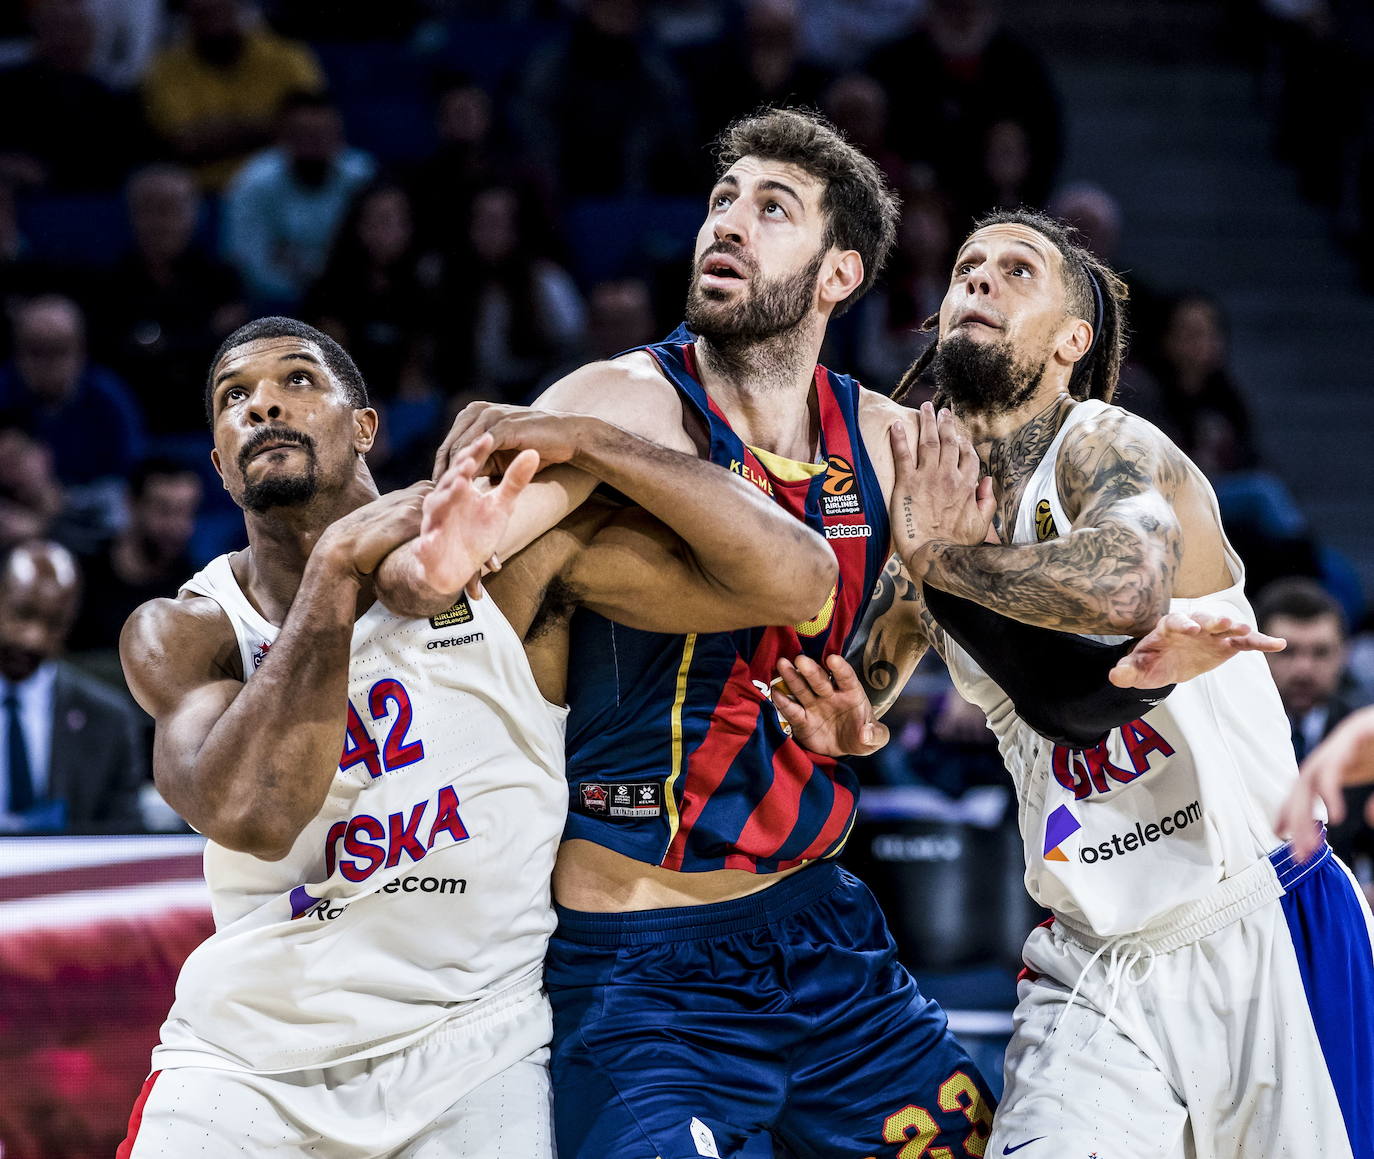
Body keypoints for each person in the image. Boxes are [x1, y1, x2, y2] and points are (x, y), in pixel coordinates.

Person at [387, 106, 1003, 1159]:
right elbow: (447, 579)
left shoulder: (894, 442)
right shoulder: (617, 402)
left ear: (840, 274)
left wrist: (867, 716)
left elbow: (877, 666)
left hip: (825, 936)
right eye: (723, 199)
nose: (729, 223)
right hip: (644, 965)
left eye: (773, 208)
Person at [115, 315, 834, 1157]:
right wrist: (337, 570)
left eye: (297, 380)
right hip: (247, 1061)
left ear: (365, 426)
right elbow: (257, 818)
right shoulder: (187, 630)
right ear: (219, 465)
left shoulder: (507, 559)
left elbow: (799, 577)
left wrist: (593, 440)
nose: (263, 405)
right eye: (234, 397)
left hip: (475, 1047)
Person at [821, 206, 1371, 1157]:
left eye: (1018, 269)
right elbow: (857, 700)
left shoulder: (1103, 443)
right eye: (967, 266)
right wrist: (844, 721)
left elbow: (1127, 583)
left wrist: (942, 559)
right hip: (1089, 960)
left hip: (1259, 923)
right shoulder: (932, 521)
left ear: (1073, 340)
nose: (979, 277)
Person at [0, 538, 145, 832]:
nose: (33, 638)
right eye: (23, 613)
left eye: (53, 623)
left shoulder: (110, 720)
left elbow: (125, 836)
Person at [141, 0, 324, 191]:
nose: (213, 20)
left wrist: (214, 133)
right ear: (186, 16)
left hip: (281, 186)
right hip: (203, 189)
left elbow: (310, 125)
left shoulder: (288, 57)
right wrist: (267, 128)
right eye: (203, 12)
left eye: (221, 8)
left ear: (241, 9)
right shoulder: (165, 69)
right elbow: (184, 144)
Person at [1257, 577, 1373, 878]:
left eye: (1320, 652)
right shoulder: (1231, 731)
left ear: (1344, 654)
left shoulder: (1363, 738)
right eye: (1287, 652)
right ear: (1256, 653)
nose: (1304, 669)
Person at [223, 90, 376, 311]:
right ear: (281, 137)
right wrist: (311, 297)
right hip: (274, 303)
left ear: (339, 135)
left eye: (324, 134)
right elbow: (249, 265)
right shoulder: (252, 184)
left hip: (347, 299)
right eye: (304, 134)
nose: (315, 144)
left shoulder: (363, 177)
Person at [68, 458, 202, 653]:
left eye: (186, 512)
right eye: (164, 510)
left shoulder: (196, 591)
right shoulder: (81, 577)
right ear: (131, 503)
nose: (177, 526)